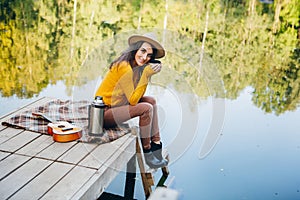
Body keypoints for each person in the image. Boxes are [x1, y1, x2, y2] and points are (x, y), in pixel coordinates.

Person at [95, 33, 168, 168]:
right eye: (143, 51)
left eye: (149, 56)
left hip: (117, 108)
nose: (145, 57)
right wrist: (146, 75)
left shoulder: (137, 68)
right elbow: (134, 101)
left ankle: (156, 145)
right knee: (146, 108)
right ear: (135, 49)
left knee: (151, 101)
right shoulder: (124, 66)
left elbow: (135, 95)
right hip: (103, 114)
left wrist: (144, 72)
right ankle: (147, 153)